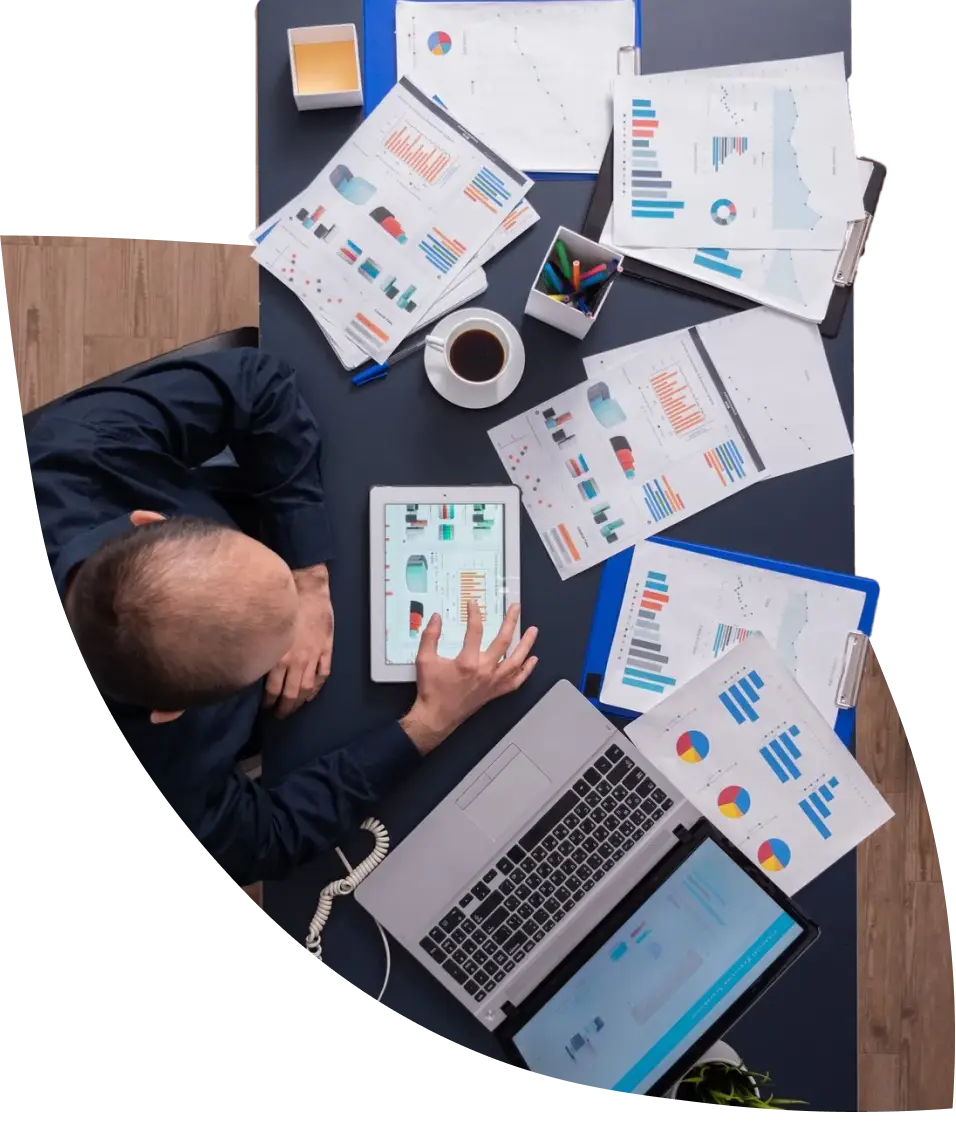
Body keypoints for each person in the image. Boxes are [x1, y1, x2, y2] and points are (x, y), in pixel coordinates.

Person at [25, 347, 539, 886]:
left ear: (147, 523)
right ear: (169, 712)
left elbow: (257, 382)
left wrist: (309, 578)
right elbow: (266, 841)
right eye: (280, 639)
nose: (306, 633)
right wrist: (426, 725)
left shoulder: (77, 448)